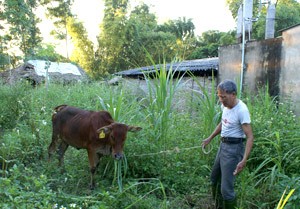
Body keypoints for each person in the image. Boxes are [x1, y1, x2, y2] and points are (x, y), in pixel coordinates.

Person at [202, 79, 254, 209]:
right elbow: (223, 123)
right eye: (219, 97)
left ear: (233, 94)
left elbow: (250, 136)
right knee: (214, 179)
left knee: (226, 190)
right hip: (223, 146)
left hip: (234, 149)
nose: (221, 100)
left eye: (223, 97)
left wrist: (244, 160)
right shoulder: (224, 106)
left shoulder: (241, 110)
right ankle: (218, 206)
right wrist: (210, 138)